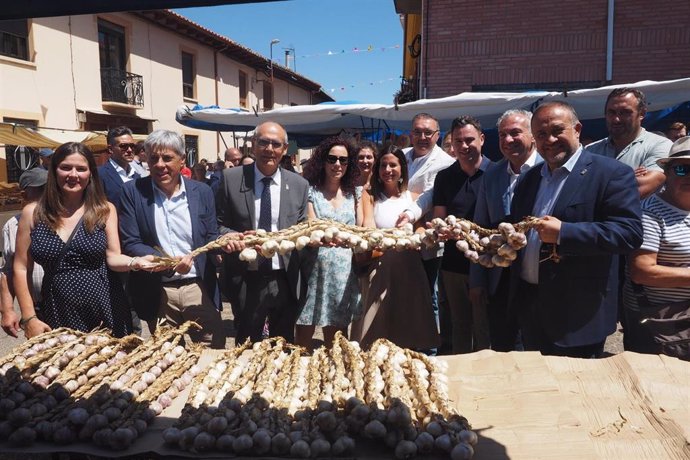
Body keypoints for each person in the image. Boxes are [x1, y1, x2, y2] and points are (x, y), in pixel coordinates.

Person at [510, 101, 643, 358]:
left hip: (578, 315)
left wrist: (565, 233)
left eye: (557, 130)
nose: (549, 139)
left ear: (577, 129)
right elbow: (520, 228)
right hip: (530, 308)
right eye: (540, 134)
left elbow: (629, 233)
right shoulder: (530, 178)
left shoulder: (611, 174)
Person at [13, 142, 155, 338]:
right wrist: (29, 318)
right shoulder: (34, 213)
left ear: (90, 175)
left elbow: (113, 257)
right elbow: (21, 268)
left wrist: (135, 262)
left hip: (105, 305)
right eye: (66, 167)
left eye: (81, 169)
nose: (73, 174)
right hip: (57, 308)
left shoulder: (104, 210)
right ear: (54, 171)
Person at [119, 130, 224, 348]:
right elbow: (131, 242)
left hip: (198, 287)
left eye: (167, 158)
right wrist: (169, 262)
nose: (159, 165)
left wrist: (228, 238)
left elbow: (211, 235)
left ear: (182, 160)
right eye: (153, 158)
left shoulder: (202, 191)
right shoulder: (133, 191)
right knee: (167, 360)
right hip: (157, 290)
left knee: (210, 354)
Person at [216, 122, 309, 343]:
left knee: (283, 344)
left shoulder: (299, 185)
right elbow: (218, 224)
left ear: (285, 149)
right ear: (253, 145)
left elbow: (303, 228)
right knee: (247, 345)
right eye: (263, 142)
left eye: (275, 144)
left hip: (285, 276)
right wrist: (231, 237)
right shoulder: (231, 179)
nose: (269, 149)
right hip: (247, 277)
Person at [351, 145, 439, 350]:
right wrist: (392, 239)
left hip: (410, 267)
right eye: (383, 165)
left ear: (402, 169)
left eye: (393, 165)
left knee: (409, 320)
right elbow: (368, 226)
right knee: (377, 320)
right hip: (380, 265)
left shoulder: (414, 197)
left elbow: (420, 229)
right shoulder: (369, 195)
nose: (388, 170)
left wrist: (416, 238)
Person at [469, 110, 542, 351]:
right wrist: (477, 280)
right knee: (504, 344)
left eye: (515, 133)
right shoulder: (492, 175)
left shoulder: (549, 170)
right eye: (502, 135)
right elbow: (480, 230)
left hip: (539, 276)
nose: (508, 140)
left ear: (532, 136)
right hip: (500, 279)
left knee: (536, 347)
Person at [623, 136, 690, 353]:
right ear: (667, 173)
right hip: (660, 323)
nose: (688, 176)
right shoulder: (649, 213)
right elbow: (641, 271)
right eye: (681, 169)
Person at [295, 136, 363, 349]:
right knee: (303, 337)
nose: (337, 165)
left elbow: (360, 229)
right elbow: (313, 227)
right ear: (322, 161)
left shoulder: (356, 194)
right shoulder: (310, 192)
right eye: (332, 159)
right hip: (313, 271)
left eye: (343, 160)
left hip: (342, 275)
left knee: (337, 342)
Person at [433, 116, 492, 353]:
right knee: (459, 325)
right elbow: (439, 216)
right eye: (459, 141)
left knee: (485, 327)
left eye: (469, 140)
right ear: (452, 144)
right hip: (453, 265)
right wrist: (442, 229)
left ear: (482, 139)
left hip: (488, 263)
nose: (464, 146)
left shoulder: (497, 173)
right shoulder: (444, 177)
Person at [397, 113, 455, 349]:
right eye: (418, 132)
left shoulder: (444, 162)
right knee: (401, 294)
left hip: (426, 241)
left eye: (428, 133)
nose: (422, 137)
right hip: (397, 240)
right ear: (410, 134)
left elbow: (429, 196)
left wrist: (409, 215)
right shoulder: (402, 156)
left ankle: (428, 346)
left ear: (437, 136)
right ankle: (403, 340)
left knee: (427, 295)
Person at [586, 88, 672, 199]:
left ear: (642, 114)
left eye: (625, 112)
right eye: (611, 112)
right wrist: (628, 176)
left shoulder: (660, 145)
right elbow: (575, 188)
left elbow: (642, 188)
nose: (616, 119)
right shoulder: (590, 150)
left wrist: (596, 180)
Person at [0, 168, 47, 338]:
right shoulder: (12, 226)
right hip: (36, 308)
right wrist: (8, 309)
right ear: (24, 194)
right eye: (41, 190)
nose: (47, 194)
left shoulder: (63, 218)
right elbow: (8, 270)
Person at [98, 126, 140, 208]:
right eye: (124, 146)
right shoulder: (100, 174)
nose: (130, 150)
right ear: (110, 149)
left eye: (132, 146)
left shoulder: (137, 176)